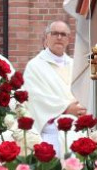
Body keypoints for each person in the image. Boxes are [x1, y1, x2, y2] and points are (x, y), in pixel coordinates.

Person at [23, 20, 87, 151]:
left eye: (63, 34)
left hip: (77, 127)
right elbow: (36, 97)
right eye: (55, 33)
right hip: (52, 130)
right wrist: (66, 108)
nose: (59, 37)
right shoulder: (35, 66)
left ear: (68, 39)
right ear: (46, 37)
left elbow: (84, 91)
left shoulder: (75, 65)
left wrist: (80, 108)